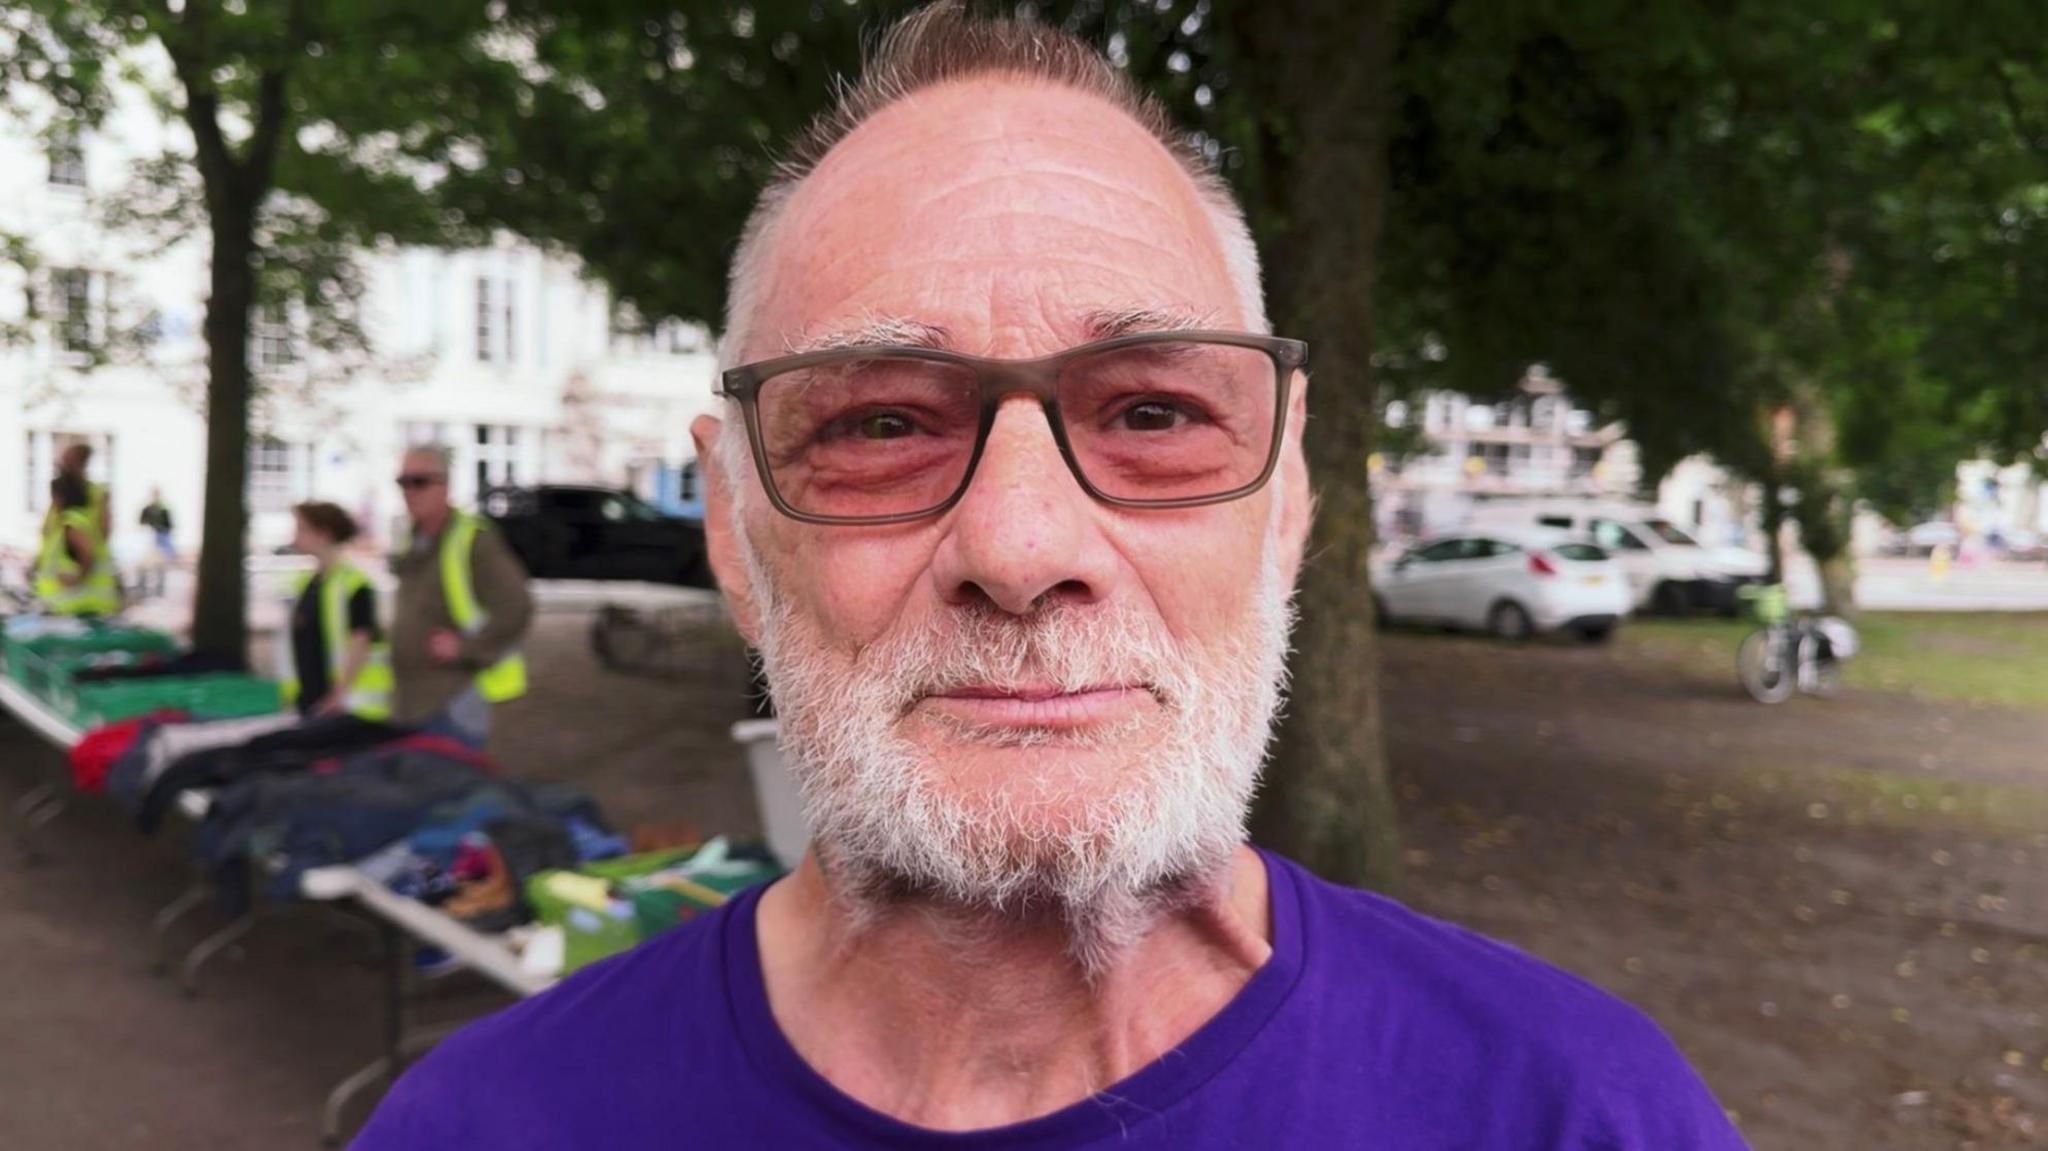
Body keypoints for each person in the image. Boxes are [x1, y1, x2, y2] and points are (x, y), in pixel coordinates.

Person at [358, 8, 1745, 1149]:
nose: (1022, 549)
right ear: (732, 526)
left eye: (1152, 414)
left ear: (1288, 506)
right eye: (880, 425)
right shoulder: (481, 1122)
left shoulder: (1577, 1113)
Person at [387, 444, 532, 748]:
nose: (409, 491)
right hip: (408, 702)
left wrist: (466, 646)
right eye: (403, 482)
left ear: (445, 485)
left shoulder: (473, 539)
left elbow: (516, 606)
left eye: (420, 482)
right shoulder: (411, 537)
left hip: (450, 703)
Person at [280, 501, 391, 720]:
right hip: (312, 700)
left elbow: (360, 640)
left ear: (323, 534)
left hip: (348, 706)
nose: (294, 536)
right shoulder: (304, 584)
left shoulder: (354, 583)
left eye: (301, 528)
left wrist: (339, 694)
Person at [33, 473, 120, 617]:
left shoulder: (72, 523)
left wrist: (76, 579)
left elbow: (87, 554)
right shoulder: (66, 523)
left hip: (81, 610)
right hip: (74, 610)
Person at [138, 487, 174, 600]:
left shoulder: (164, 510)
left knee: (160, 566)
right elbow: (141, 523)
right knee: (144, 566)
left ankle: (159, 590)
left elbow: (170, 526)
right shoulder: (147, 509)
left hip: (161, 540)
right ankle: (143, 590)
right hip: (147, 541)